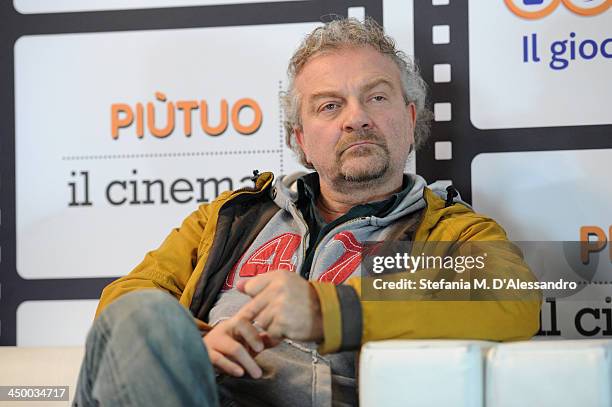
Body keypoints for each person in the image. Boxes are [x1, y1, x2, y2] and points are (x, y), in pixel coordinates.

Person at [74, 17, 540, 407]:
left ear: (411, 117)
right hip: (194, 393)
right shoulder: (230, 217)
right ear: (299, 138)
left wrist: (328, 312)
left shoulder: (449, 231)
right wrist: (192, 345)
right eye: (330, 105)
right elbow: (129, 299)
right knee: (143, 314)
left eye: (376, 97)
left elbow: (513, 300)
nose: (356, 118)